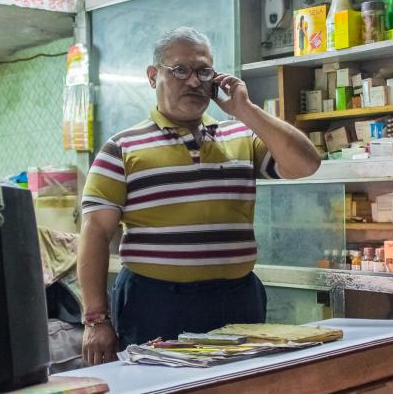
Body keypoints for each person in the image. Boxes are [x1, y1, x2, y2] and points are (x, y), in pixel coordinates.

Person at [78, 27, 321, 365]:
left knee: (242, 389)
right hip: (156, 302)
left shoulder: (241, 137)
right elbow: (94, 232)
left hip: (237, 299)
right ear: (153, 76)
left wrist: (245, 110)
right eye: (180, 70)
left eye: (203, 71)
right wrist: (96, 318)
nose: (193, 81)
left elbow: (306, 164)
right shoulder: (121, 148)